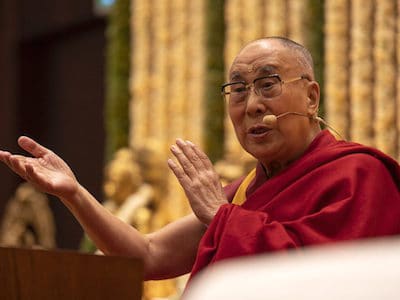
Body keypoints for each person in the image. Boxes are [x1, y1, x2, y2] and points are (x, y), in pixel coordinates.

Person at [0, 36, 399, 287]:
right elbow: (148, 255)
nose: (253, 105)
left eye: (267, 84)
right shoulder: (245, 193)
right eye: (238, 90)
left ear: (311, 97)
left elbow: (330, 283)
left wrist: (223, 216)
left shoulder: (359, 174)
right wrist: (74, 193)